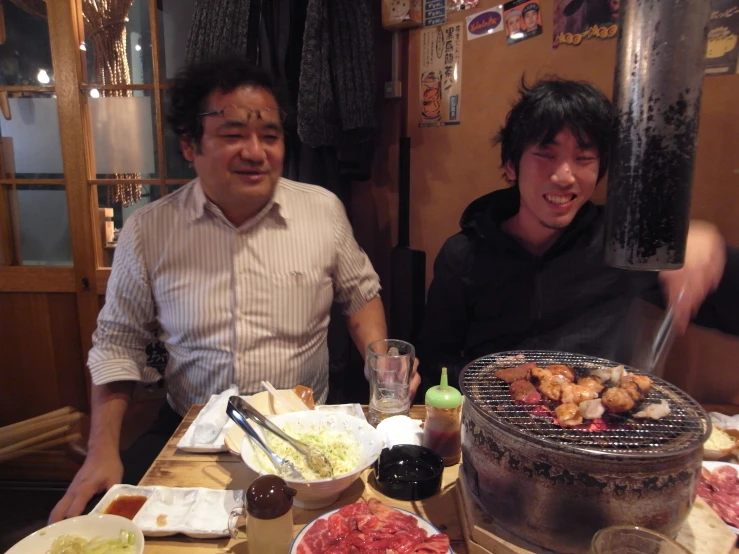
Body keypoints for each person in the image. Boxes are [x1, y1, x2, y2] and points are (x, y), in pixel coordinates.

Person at [50, 57, 420, 523]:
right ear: (190, 145)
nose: (255, 151)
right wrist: (101, 452)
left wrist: (381, 361)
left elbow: (360, 294)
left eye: (269, 135)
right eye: (232, 135)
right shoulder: (149, 230)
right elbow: (116, 345)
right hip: (194, 436)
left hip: (305, 436)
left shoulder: (322, 211)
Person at [418, 78, 739, 391]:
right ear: (512, 165)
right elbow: (435, 360)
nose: (564, 176)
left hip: (595, 424)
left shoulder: (622, 242)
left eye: (584, 158)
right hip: (492, 423)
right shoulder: (463, 254)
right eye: (546, 154)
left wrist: (709, 248)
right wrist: (490, 378)